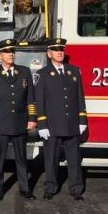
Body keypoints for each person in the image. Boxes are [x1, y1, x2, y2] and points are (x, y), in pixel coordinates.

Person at [0, 39, 37, 201]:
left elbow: (30, 98)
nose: (11, 54)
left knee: (21, 159)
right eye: (7, 52)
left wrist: (32, 117)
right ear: (0, 56)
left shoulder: (24, 72)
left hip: (20, 122)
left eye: (12, 51)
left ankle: (25, 189)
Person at [35, 37, 87, 201]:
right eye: (56, 50)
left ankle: (76, 189)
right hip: (52, 125)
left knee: (74, 159)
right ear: (49, 53)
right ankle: (50, 188)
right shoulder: (42, 74)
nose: (60, 53)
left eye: (62, 50)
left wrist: (82, 120)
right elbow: (40, 101)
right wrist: (42, 123)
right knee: (50, 159)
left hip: (71, 124)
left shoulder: (74, 71)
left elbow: (80, 97)